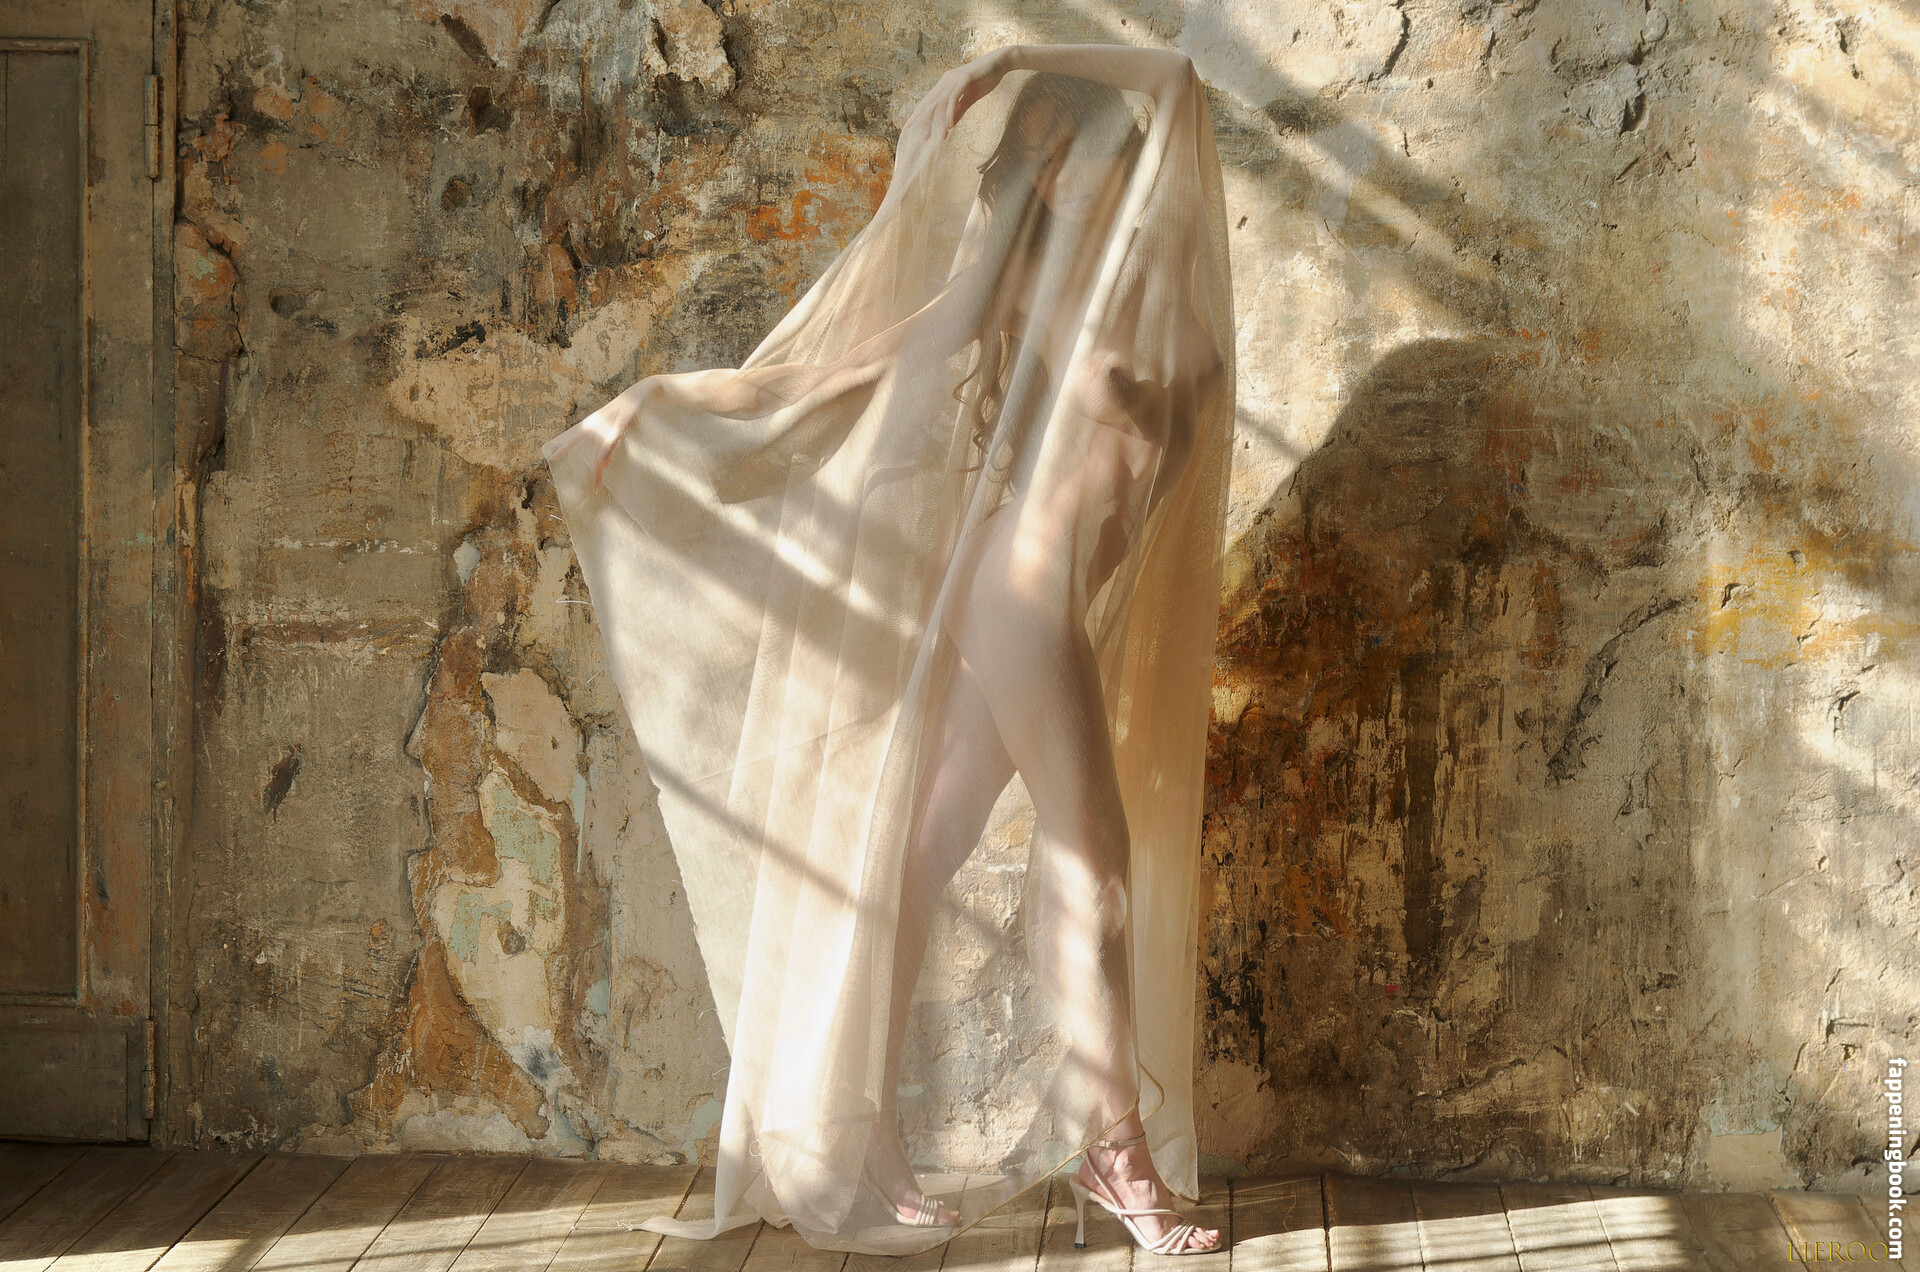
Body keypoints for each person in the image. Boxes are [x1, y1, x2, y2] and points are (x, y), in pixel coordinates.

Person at [545, 42, 1234, 1257]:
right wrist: (659, 416)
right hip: (1018, 591)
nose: (1116, 162)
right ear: (1043, 165)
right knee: (1097, 876)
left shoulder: (1157, 264)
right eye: (1079, 151)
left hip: (1033, 600)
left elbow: (1174, 76)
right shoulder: (1015, 280)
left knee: (917, 855)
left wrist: (1018, 55)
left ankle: (853, 1131)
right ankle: (1116, 1153)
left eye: (1110, 147)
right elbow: (844, 376)